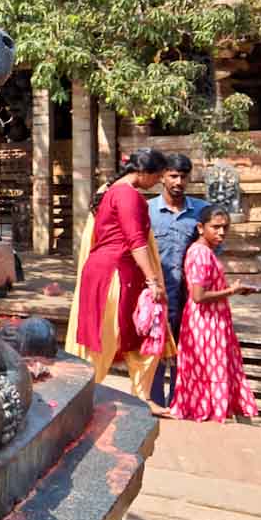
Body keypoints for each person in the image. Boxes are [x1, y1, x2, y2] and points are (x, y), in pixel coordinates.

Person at [66, 148, 176, 405]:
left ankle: (141, 399)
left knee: (142, 337)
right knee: (103, 341)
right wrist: (153, 281)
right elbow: (136, 241)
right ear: (142, 172)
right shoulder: (127, 195)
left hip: (111, 273)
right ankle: (79, 400)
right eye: (157, 176)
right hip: (113, 276)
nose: (158, 182)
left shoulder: (111, 190)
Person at [168, 206, 260, 422]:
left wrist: (235, 290)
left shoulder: (204, 251)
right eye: (216, 227)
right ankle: (210, 417)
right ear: (201, 228)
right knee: (210, 372)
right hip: (205, 324)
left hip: (211, 321)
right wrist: (232, 291)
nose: (221, 232)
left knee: (211, 371)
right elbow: (198, 296)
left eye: (225, 228)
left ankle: (211, 414)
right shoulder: (200, 253)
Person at [148, 153, 210, 407]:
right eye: (173, 176)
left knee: (184, 352)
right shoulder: (147, 211)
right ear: (162, 177)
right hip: (157, 296)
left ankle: (179, 403)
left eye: (183, 177)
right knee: (154, 350)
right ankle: (153, 403)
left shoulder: (201, 211)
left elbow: (210, 251)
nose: (178, 182)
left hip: (189, 298)